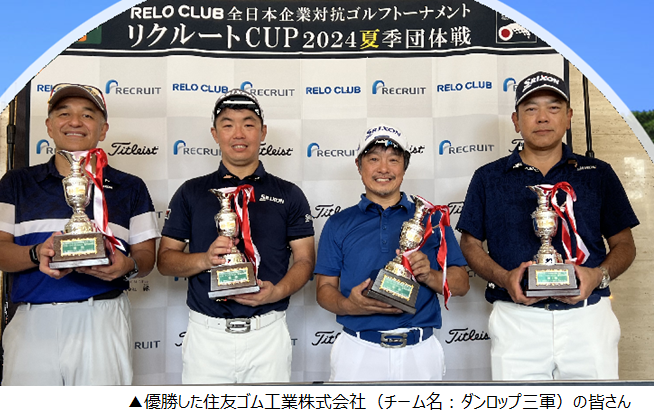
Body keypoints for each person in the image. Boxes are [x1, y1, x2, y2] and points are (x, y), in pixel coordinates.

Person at [456, 71, 638, 380]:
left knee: (596, 403)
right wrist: (504, 278)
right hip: (516, 319)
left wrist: (597, 275)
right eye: (531, 109)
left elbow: (625, 243)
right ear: (516, 120)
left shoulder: (598, 173)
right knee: (519, 403)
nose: (542, 117)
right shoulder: (488, 177)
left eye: (553, 108)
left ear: (568, 117)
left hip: (589, 319)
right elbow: (470, 244)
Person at [0, 83, 160, 385]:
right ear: (49, 126)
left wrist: (128, 265)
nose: (75, 122)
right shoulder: (16, 183)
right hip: (32, 322)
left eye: (87, 115)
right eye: (64, 113)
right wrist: (36, 253)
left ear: (103, 129)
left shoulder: (131, 187)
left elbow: (146, 257)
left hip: (102, 317)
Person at [156, 89, 315, 384]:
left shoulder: (289, 194)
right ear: (215, 134)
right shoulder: (191, 192)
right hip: (207, 336)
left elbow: (305, 260)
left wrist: (277, 291)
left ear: (263, 132)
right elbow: (165, 261)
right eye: (228, 125)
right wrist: (205, 259)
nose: (238, 134)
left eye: (248, 124)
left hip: (268, 333)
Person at [314, 125, 469, 381]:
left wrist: (429, 275)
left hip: (420, 351)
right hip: (357, 350)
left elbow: (462, 284)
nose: (383, 169)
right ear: (359, 165)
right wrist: (349, 305)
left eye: (393, 160)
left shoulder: (431, 219)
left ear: (404, 167)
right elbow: (324, 290)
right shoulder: (338, 223)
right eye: (374, 159)